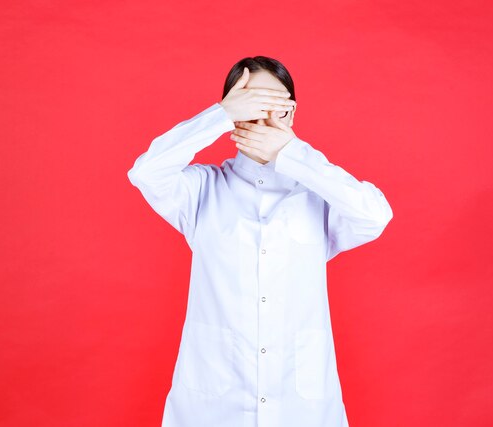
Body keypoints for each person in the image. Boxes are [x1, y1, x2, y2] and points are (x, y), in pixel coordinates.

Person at [127, 56, 394, 427]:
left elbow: (375, 216)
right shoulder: (202, 190)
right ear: (232, 110)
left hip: (300, 405)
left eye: (278, 105)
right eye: (252, 103)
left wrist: (292, 155)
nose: (265, 116)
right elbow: (146, 171)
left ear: (293, 112)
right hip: (213, 404)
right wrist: (217, 116)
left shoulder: (317, 195)